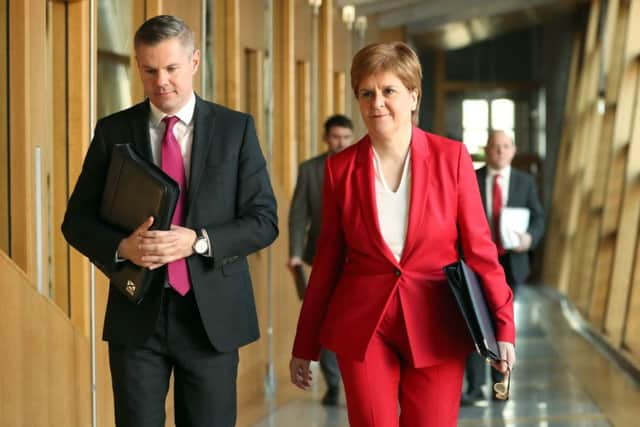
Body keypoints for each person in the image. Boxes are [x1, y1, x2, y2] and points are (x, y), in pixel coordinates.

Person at [61, 15, 277, 427]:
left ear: (194, 62)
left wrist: (197, 241)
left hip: (210, 318)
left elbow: (264, 221)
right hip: (137, 313)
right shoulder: (113, 131)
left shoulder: (236, 130)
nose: (161, 81)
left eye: (172, 68)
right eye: (150, 70)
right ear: (138, 67)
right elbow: (77, 221)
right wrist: (124, 247)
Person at [289, 41, 516, 427]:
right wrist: (304, 344)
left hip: (437, 320)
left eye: (388, 90)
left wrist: (503, 328)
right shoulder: (339, 170)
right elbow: (327, 262)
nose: (377, 102)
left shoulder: (452, 158)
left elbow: (481, 251)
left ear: (413, 96)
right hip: (364, 325)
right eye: (366, 92)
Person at [462, 130, 545, 405]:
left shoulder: (525, 182)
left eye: (505, 146)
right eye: (495, 146)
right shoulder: (472, 178)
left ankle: (501, 388)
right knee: (476, 323)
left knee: (503, 327)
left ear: (513, 150)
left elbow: (539, 217)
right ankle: (475, 389)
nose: (499, 151)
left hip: (511, 263)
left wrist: (529, 238)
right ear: (487, 149)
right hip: (476, 264)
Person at [288, 114, 354, 406]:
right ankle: (335, 383)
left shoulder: (361, 164)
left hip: (358, 260)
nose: (340, 142)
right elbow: (298, 213)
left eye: (345, 137)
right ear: (326, 138)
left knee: (350, 320)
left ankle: (355, 379)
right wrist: (295, 253)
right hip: (322, 256)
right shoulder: (311, 170)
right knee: (326, 321)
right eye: (335, 137)